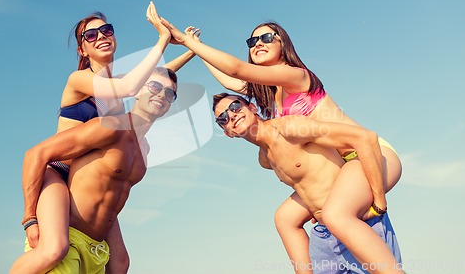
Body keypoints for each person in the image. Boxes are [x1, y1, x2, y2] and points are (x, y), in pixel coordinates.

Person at [160, 18, 403, 274]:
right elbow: (231, 82)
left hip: (368, 154)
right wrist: (198, 48)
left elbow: (235, 70)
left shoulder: (294, 74)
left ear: (282, 43)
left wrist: (379, 202)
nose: (258, 44)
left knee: (336, 215)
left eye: (266, 38)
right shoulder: (273, 92)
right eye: (252, 42)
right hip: (343, 163)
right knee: (285, 218)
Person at [9, 2, 190, 274]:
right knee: (54, 248)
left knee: (120, 263)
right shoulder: (80, 80)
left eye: (106, 30)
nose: (101, 36)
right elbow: (133, 86)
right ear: (82, 49)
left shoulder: (115, 87)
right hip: (58, 172)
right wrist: (163, 39)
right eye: (90, 35)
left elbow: (153, 82)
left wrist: (190, 51)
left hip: (87, 179)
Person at [213, 93, 403, 274]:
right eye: (223, 118)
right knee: (284, 218)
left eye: (235, 106)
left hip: (354, 222)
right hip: (324, 234)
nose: (231, 115)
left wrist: (379, 202)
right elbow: (309, 181)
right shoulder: (264, 159)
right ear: (227, 133)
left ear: (252, 107)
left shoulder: (291, 128)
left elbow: (364, 138)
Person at [13, 67, 178, 273]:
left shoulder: (145, 148)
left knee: (122, 264)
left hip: (97, 251)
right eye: (154, 86)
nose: (161, 94)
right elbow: (36, 154)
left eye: (170, 93)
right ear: (136, 91)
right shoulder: (110, 127)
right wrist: (30, 219)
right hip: (69, 239)